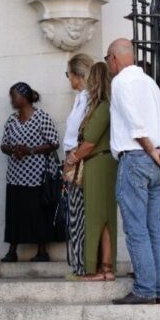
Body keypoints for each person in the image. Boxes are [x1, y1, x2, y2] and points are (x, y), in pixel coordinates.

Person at [105, 38, 160, 305]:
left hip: (138, 157)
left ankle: (144, 288)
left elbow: (134, 123)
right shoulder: (150, 82)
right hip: (158, 159)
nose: (108, 64)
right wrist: (157, 151)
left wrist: (150, 149)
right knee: (153, 227)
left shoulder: (121, 82)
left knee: (137, 228)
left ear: (115, 58)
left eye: (108, 59)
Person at [64, 61, 118, 281]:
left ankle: (96, 269)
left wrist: (71, 160)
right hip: (99, 163)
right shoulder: (102, 105)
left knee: (96, 217)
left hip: (98, 164)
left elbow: (90, 141)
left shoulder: (103, 106)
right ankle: (105, 268)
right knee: (102, 218)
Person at [0, 82, 59, 263]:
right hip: (16, 175)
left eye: (14, 96)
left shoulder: (41, 117)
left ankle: (42, 251)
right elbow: (3, 144)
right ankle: (12, 250)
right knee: (14, 212)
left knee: (37, 212)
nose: (12, 100)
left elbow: (54, 142)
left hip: (37, 175)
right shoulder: (12, 119)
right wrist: (13, 150)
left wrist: (30, 151)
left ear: (24, 98)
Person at [62, 53, 94, 275]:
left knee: (80, 214)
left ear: (77, 75)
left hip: (79, 160)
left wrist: (72, 158)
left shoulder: (90, 97)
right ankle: (77, 263)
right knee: (73, 213)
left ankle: (82, 265)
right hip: (72, 158)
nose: (68, 79)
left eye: (68, 74)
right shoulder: (80, 97)